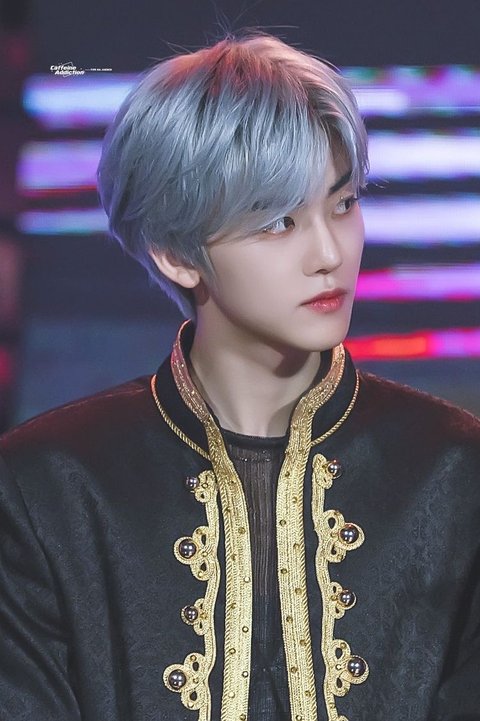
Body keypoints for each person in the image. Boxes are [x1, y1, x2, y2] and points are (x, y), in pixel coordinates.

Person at [0, 32, 479, 721]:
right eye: (280, 222)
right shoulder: (44, 489)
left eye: (343, 203)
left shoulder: (457, 474)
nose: (329, 253)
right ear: (175, 251)